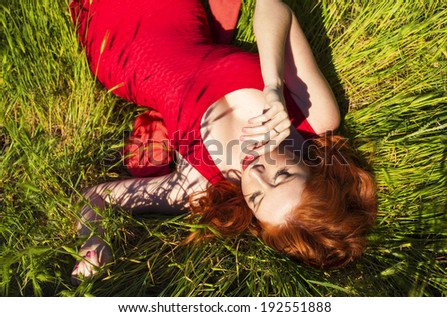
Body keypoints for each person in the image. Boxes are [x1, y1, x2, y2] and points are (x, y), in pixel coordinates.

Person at [69, 0, 377, 283]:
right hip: (180, 12)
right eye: (281, 175)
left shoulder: (197, 184)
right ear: (315, 170)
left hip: (121, 48)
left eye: (255, 198)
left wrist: (93, 238)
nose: (256, 174)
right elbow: (272, 5)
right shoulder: (314, 116)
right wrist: (274, 86)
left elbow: (97, 197)